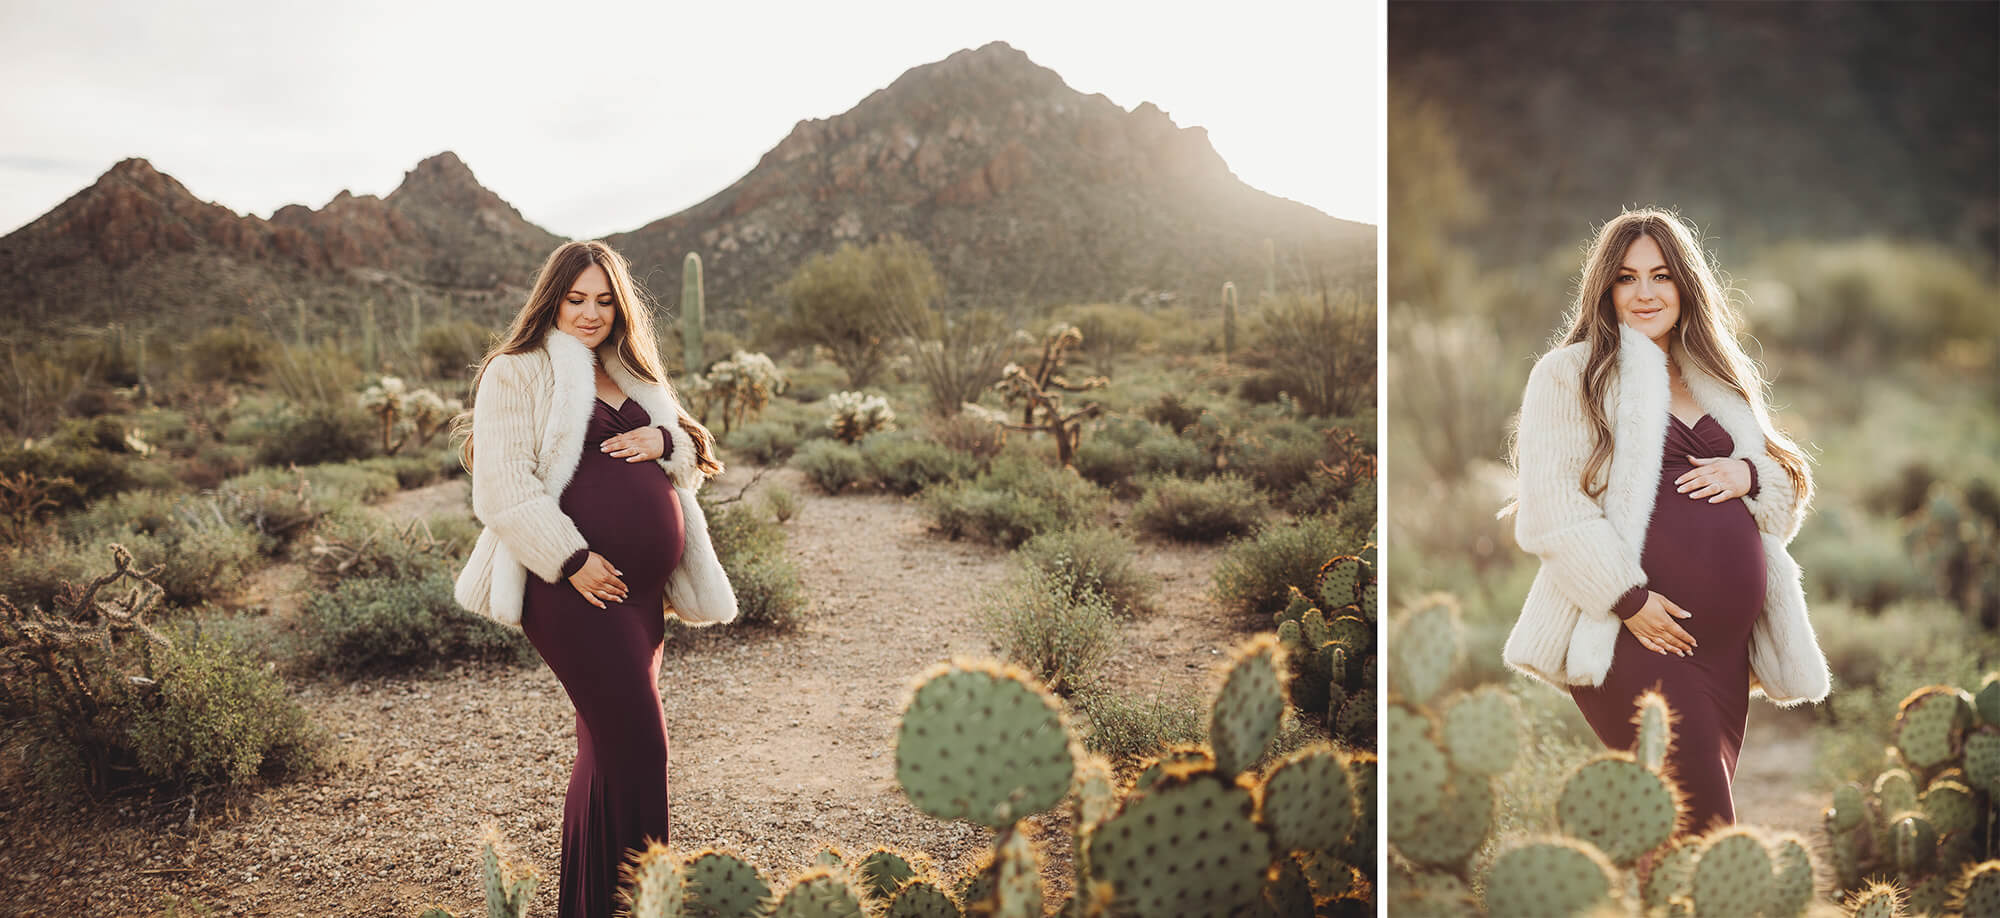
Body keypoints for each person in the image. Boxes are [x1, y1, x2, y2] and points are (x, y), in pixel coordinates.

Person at [1501, 208, 1830, 836]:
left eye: (1661, 276)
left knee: (1677, 829)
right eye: (1627, 278)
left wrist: (1750, 475)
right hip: (1634, 637)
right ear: (1605, 289)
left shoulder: (1717, 374)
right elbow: (1552, 512)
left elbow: (1784, 503)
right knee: (1703, 826)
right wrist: (1627, 598)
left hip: (1723, 655)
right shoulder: (1570, 374)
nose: (1646, 293)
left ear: (1686, 284)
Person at [451, 239, 737, 917]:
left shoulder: (631, 370)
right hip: (571, 590)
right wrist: (572, 559)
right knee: (639, 745)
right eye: (576, 299)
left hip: (641, 599)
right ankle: (637, 905)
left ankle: (595, 906)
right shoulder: (516, 371)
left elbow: (693, 452)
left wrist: (665, 442)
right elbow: (499, 488)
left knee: (605, 750)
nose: (590, 313)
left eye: (605, 300)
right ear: (552, 299)